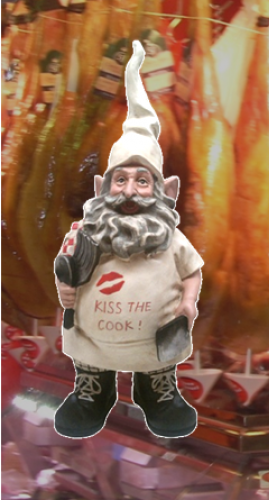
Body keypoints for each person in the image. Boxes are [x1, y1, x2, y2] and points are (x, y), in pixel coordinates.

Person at [52, 41, 202, 440]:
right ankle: (92, 388)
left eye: (142, 181)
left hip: (156, 340)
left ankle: (156, 388)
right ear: (101, 188)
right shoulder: (88, 232)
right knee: (89, 354)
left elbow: (191, 270)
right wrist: (65, 287)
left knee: (159, 356)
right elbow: (67, 266)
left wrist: (189, 301)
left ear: (165, 190)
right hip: (92, 339)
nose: (130, 190)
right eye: (120, 180)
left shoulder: (171, 238)